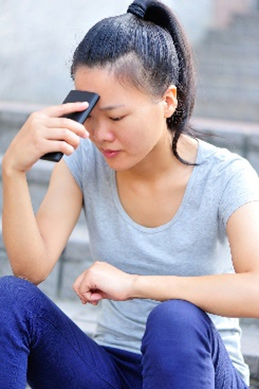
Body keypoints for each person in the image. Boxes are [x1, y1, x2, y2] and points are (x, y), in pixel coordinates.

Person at [0, 0, 258, 387]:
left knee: (175, 318)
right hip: (112, 370)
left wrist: (135, 284)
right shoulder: (84, 162)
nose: (101, 135)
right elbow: (30, 270)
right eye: (91, 117)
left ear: (168, 101)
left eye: (117, 117)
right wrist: (13, 170)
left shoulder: (226, 176)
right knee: (9, 298)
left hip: (199, 368)